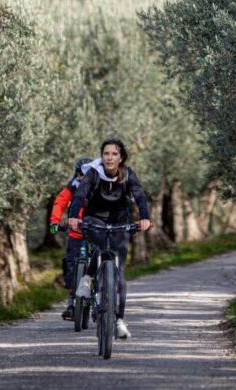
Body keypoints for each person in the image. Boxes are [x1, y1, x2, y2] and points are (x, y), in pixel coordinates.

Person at [68, 138, 151, 339]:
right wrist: (73, 215)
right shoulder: (93, 174)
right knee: (100, 246)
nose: (110, 157)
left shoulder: (128, 174)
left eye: (114, 154)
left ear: (120, 157)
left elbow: (139, 195)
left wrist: (145, 217)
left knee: (120, 269)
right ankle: (88, 278)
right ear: (102, 156)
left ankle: (120, 321)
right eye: (106, 154)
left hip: (120, 221)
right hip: (94, 219)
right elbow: (80, 194)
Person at [49, 156, 92, 321]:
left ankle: (103, 297)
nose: (83, 177)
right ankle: (72, 304)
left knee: (100, 261)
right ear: (77, 173)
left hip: (95, 231)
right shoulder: (72, 187)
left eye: (87, 174)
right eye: (81, 174)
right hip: (75, 232)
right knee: (71, 267)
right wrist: (54, 222)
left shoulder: (99, 186)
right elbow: (60, 203)